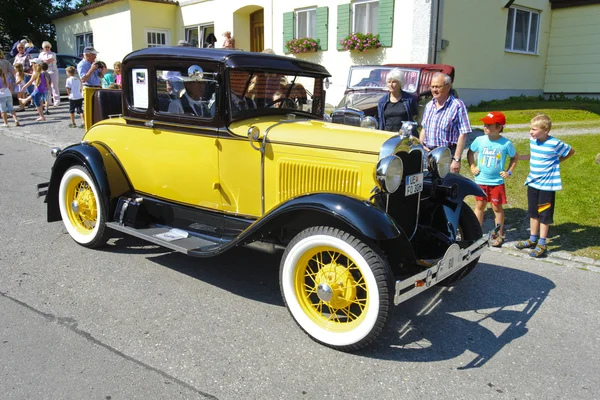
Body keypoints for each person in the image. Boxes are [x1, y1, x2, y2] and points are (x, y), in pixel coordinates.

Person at [514, 114, 575, 258]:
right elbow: (533, 155)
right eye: (531, 129)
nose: (531, 132)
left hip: (547, 186)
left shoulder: (555, 143)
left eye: (534, 129)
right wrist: (520, 157)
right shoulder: (533, 141)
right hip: (533, 183)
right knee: (533, 212)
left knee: (544, 214)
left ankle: (542, 243)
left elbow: (571, 151)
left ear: (545, 130)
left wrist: (557, 161)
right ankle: (532, 239)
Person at [467, 111, 517, 247]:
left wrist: (509, 172)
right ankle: (476, 234)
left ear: (499, 127)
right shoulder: (479, 140)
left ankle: (499, 234)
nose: (485, 127)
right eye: (484, 125)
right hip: (481, 180)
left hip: (496, 183)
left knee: (496, 207)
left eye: (489, 125)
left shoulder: (506, 144)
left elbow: (514, 157)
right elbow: (470, 152)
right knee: (480, 206)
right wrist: (472, 166)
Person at [420, 72, 471, 173]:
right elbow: (424, 128)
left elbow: (463, 134)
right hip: (427, 154)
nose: (434, 90)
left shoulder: (457, 105)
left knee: (445, 185)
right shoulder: (429, 105)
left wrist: (456, 159)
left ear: (448, 87)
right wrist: (421, 144)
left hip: (446, 155)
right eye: (432, 87)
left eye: (438, 87)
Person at [376, 68, 418, 133]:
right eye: (389, 82)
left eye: (394, 82)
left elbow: (415, 118)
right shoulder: (382, 102)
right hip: (387, 136)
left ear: (400, 83)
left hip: (404, 137)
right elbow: (380, 121)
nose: (391, 85)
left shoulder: (409, 100)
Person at [38, 41, 60, 107]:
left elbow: (50, 60)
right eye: (45, 47)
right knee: (47, 86)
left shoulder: (53, 53)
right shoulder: (41, 54)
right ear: (43, 48)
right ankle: (49, 101)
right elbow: (39, 62)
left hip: (53, 71)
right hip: (45, 71)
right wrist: (44, 61)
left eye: (48, 47)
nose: (47, 48)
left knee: (54, 86)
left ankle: (57, 101)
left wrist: (43, 61)